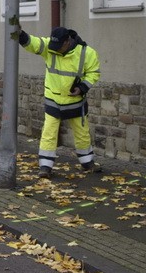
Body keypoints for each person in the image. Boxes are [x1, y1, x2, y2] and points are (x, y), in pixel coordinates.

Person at [13, 24, 102, 178]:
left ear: (67, 42)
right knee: (49, 133)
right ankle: (45, 167)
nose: (53, 49)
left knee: (82, 133)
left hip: (75, 101)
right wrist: (20, 34)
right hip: (53, 100)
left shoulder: (87, 53)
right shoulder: (51, 46)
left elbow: (94, 73)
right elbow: (33, 43)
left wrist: (82, 87)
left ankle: (88, 163)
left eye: (58, 46)